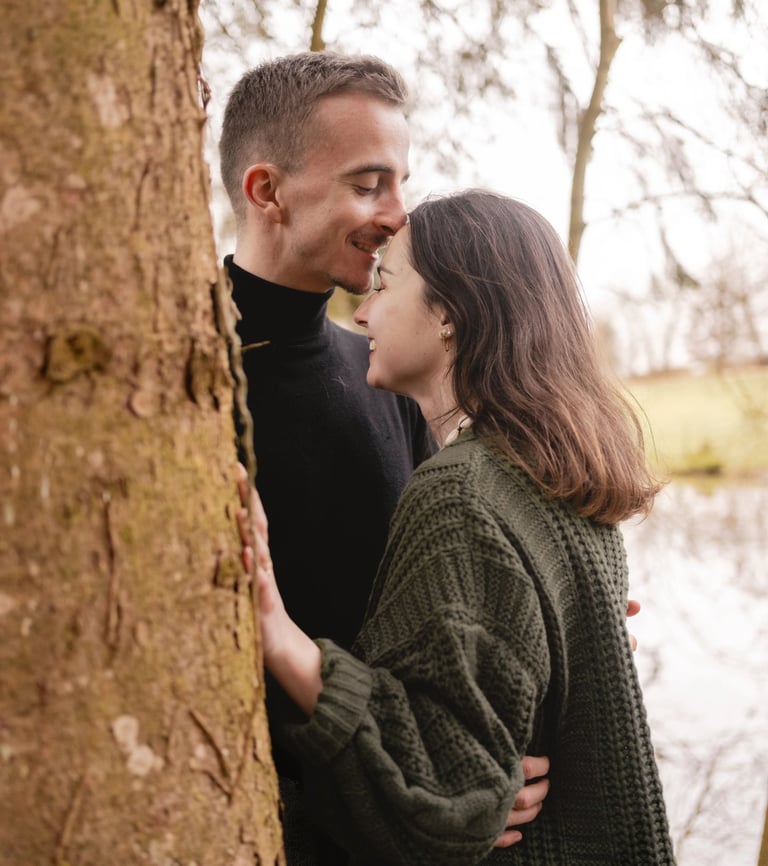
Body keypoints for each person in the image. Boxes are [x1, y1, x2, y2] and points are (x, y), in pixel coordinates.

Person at [238, 190, 676, 865]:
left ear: (447, 312)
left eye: (385, 283)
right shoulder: (552, 476)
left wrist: (277, 632)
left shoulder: (460, 491)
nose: (362, 310)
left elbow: (444, 794)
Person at [218, 53, 550, 862]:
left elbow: (438, 619)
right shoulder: (178, 385)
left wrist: (547, 617)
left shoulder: (382, 373)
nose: (401, 215)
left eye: (402, 182)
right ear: (267, 191)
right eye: (370, 185)